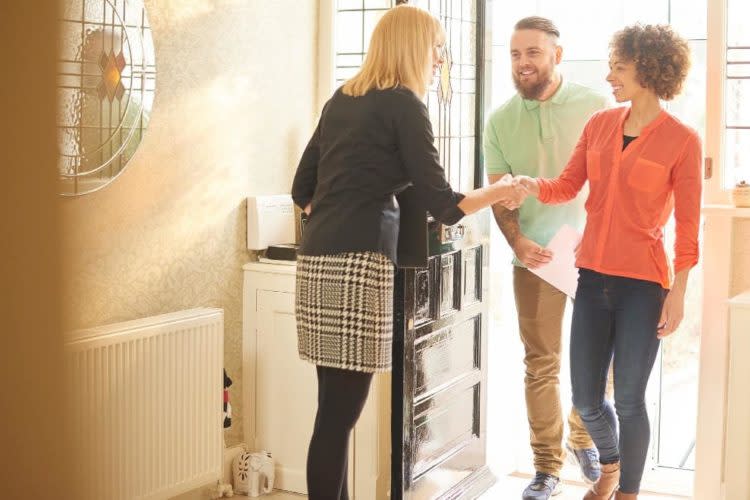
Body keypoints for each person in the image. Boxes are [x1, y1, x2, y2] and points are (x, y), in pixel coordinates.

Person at [290, 5, 521, 499]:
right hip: (359, 264)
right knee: (339, 415)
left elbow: (301, 187)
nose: (441, 58)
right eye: (437, 47)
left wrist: (344, 205)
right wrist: (501, 192)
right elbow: (444, 202)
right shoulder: (404, 104)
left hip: (316, 261)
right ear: (416, 47)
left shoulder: (342, 99)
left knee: (332, 410)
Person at [514, 24, 701, 500]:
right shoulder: (599, 125)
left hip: (644, 285)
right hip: (592, 275)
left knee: (632, 399)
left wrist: (677, 293)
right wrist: (529, 185)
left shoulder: (681, 140)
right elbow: (566, 186)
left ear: (650, 70)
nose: (610, 75)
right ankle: (612, 466)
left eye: (620, 67)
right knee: (586, 399)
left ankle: (626, 493)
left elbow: (689, 230)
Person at [483, 16, 609, 499]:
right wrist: (516, 242)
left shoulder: (596, 107)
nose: (523, 64)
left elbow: (612, 181)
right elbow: (498, 194)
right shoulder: (498, 121)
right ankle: (546, 467)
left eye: (533, 52)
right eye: (515, 54)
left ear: (558, 54)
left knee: (603, 359)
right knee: (541, 363)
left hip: (595, 254)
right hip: (534, 259)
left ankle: (584, 437)